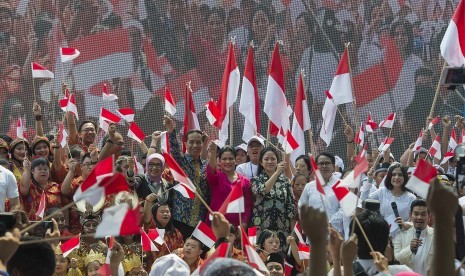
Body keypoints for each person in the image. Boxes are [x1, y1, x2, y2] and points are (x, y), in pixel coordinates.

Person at [163, 115, 210, 240]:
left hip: (200, 220)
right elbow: (175, 150)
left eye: (198, 142)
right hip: (180, 219)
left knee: (198, 255)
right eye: (191, 142)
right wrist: (171, 131)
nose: (195, 145)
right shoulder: (181, 161)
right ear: (186, 143)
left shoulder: (206, 165)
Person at [251, 146, 296, 247]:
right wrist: (276, 173)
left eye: (273, 159)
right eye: (266, 159)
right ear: (261, 162)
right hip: (261, 229)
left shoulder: (285, 181)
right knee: (262, 258)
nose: (270, 161)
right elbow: (261, 191)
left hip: (282, 230)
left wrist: (293, 233)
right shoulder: (256, 180)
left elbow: (291, 207)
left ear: (277, 161)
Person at [361, 162, 416, 236]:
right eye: (393, 175)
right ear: (389, 177)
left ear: (405, 177)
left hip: (403, 236)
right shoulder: (382, 191)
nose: (396, 177)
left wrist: (405, 224)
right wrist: (369, 180)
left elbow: (415, 221)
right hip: (383, 236)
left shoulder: (411, 198)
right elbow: (364, 201)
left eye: (400, 175)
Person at [207, 144, 253, 228]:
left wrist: (243, 224)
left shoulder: (245, 181)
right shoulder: (216, 177)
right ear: (219, 161)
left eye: (231, 158)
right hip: (215, 226)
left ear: (235, 160)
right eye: (224, 159)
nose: (227, 162)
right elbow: (211, 169)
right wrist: (213, 153)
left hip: (235, 229)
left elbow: (248, 206)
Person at [298, 152, 344, 233]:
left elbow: (344, 209)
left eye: (327, 163)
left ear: (333, 166)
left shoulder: (340, 185)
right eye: (321, 163)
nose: (324, 166)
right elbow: (301, 207)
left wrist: (329, 224)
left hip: (334, 234)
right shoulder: (309, 186)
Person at [393, 199, 434, 275]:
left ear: (429, 216)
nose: (419, 217)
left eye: (423, 214)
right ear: (410, 215)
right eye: (416, 214)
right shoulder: (401, 234)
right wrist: (410, 249)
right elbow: (396, 259)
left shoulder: (436, 236)